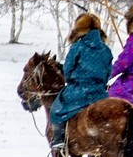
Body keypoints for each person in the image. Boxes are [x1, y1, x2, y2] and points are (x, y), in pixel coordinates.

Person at [48, 13, 112, 150]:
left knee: (56, 108)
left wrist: (71, 80)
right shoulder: (105, 49)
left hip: (79, 90)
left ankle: (58, 138)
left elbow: (67, 69)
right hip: (99, 92)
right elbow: (108, 71)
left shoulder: (78, 47)